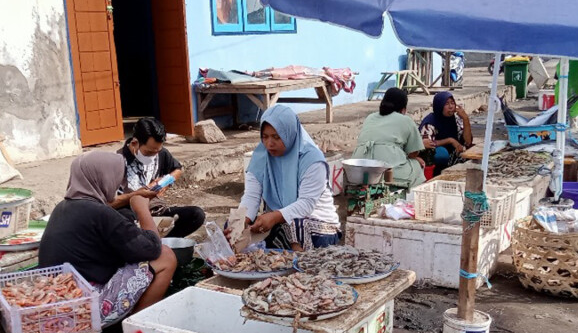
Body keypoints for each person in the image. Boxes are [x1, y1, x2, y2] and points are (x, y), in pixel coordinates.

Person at [39, 152, 177, 331]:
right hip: (84, 309)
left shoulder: (63, 207)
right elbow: (151, 248)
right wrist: (142, 208)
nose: (118, 184)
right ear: (103, 178)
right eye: (116, 178)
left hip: (55, 300)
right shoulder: (98, 212)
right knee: (166, 256)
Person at [229, 105, 341, 251]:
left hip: (319, 227)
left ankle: (302, 267)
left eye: (276, 137)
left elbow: (306, 204)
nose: (269, 143)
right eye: (265, 137)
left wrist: (274, 217)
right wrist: (242, 221)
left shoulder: (312, 160)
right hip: (281, 223)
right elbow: (251, 196)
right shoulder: (261, 157)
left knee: (295, 225)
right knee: (235, 227)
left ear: (289, 133)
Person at [111, 117, 205, 238]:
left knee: (196, 215)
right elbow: (108, 203)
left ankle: (163, 244)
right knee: (126, 223)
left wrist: (166, 182)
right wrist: (136, 195)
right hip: (128, 214)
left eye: (157, 151)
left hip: (155, 210)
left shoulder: (159, 153)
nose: (154, 155)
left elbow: (177, 170)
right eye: (149, 152)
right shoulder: (115, 162)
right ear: (135, 143)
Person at [352, 87, 427, 188]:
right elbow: (414, 152)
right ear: (403, 109)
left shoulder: (370, 117)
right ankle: (409, 197)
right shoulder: (405, 120)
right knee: (417, 166)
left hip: (358, 170)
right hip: (385, 172)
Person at [419, 91, 473, 177]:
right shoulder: (430, 122)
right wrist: (450, 141)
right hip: (431, 157)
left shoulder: (455, 120)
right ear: (439, 106)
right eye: (447, 104)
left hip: (452, 155)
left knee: (469, 152)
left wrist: (465, 119)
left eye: (452, 103)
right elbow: (428, 144)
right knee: (442, 154)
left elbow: (468, 141)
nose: (451, 106)